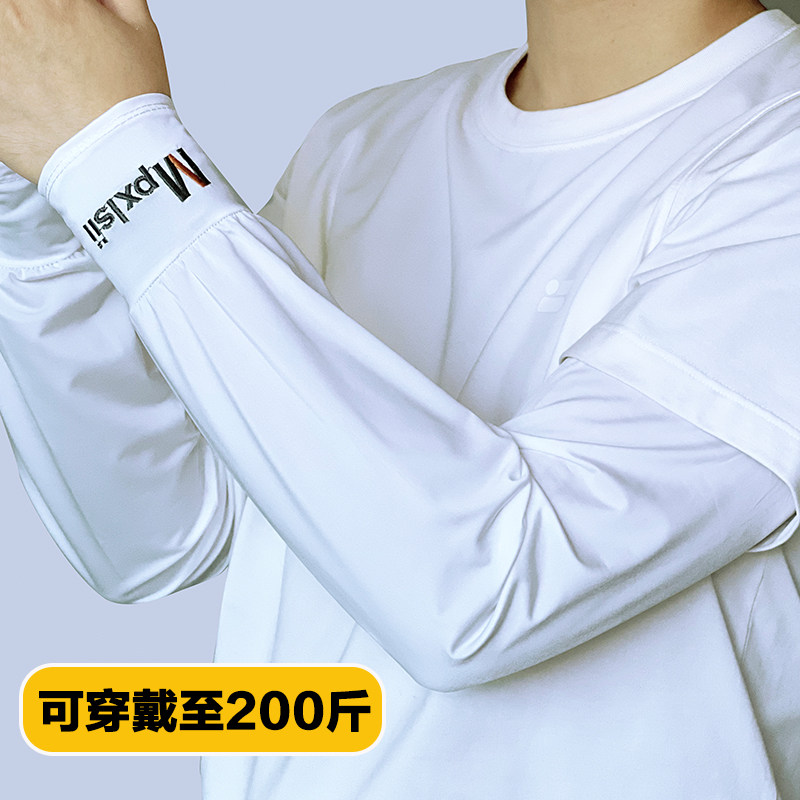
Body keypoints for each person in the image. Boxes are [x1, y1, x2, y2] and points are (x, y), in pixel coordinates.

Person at [0, 0, 799, 796]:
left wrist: (120, 161)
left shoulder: (777, 151)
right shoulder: (364, 139)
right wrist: (39, 197)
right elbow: (165, 534)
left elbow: (487, 589)